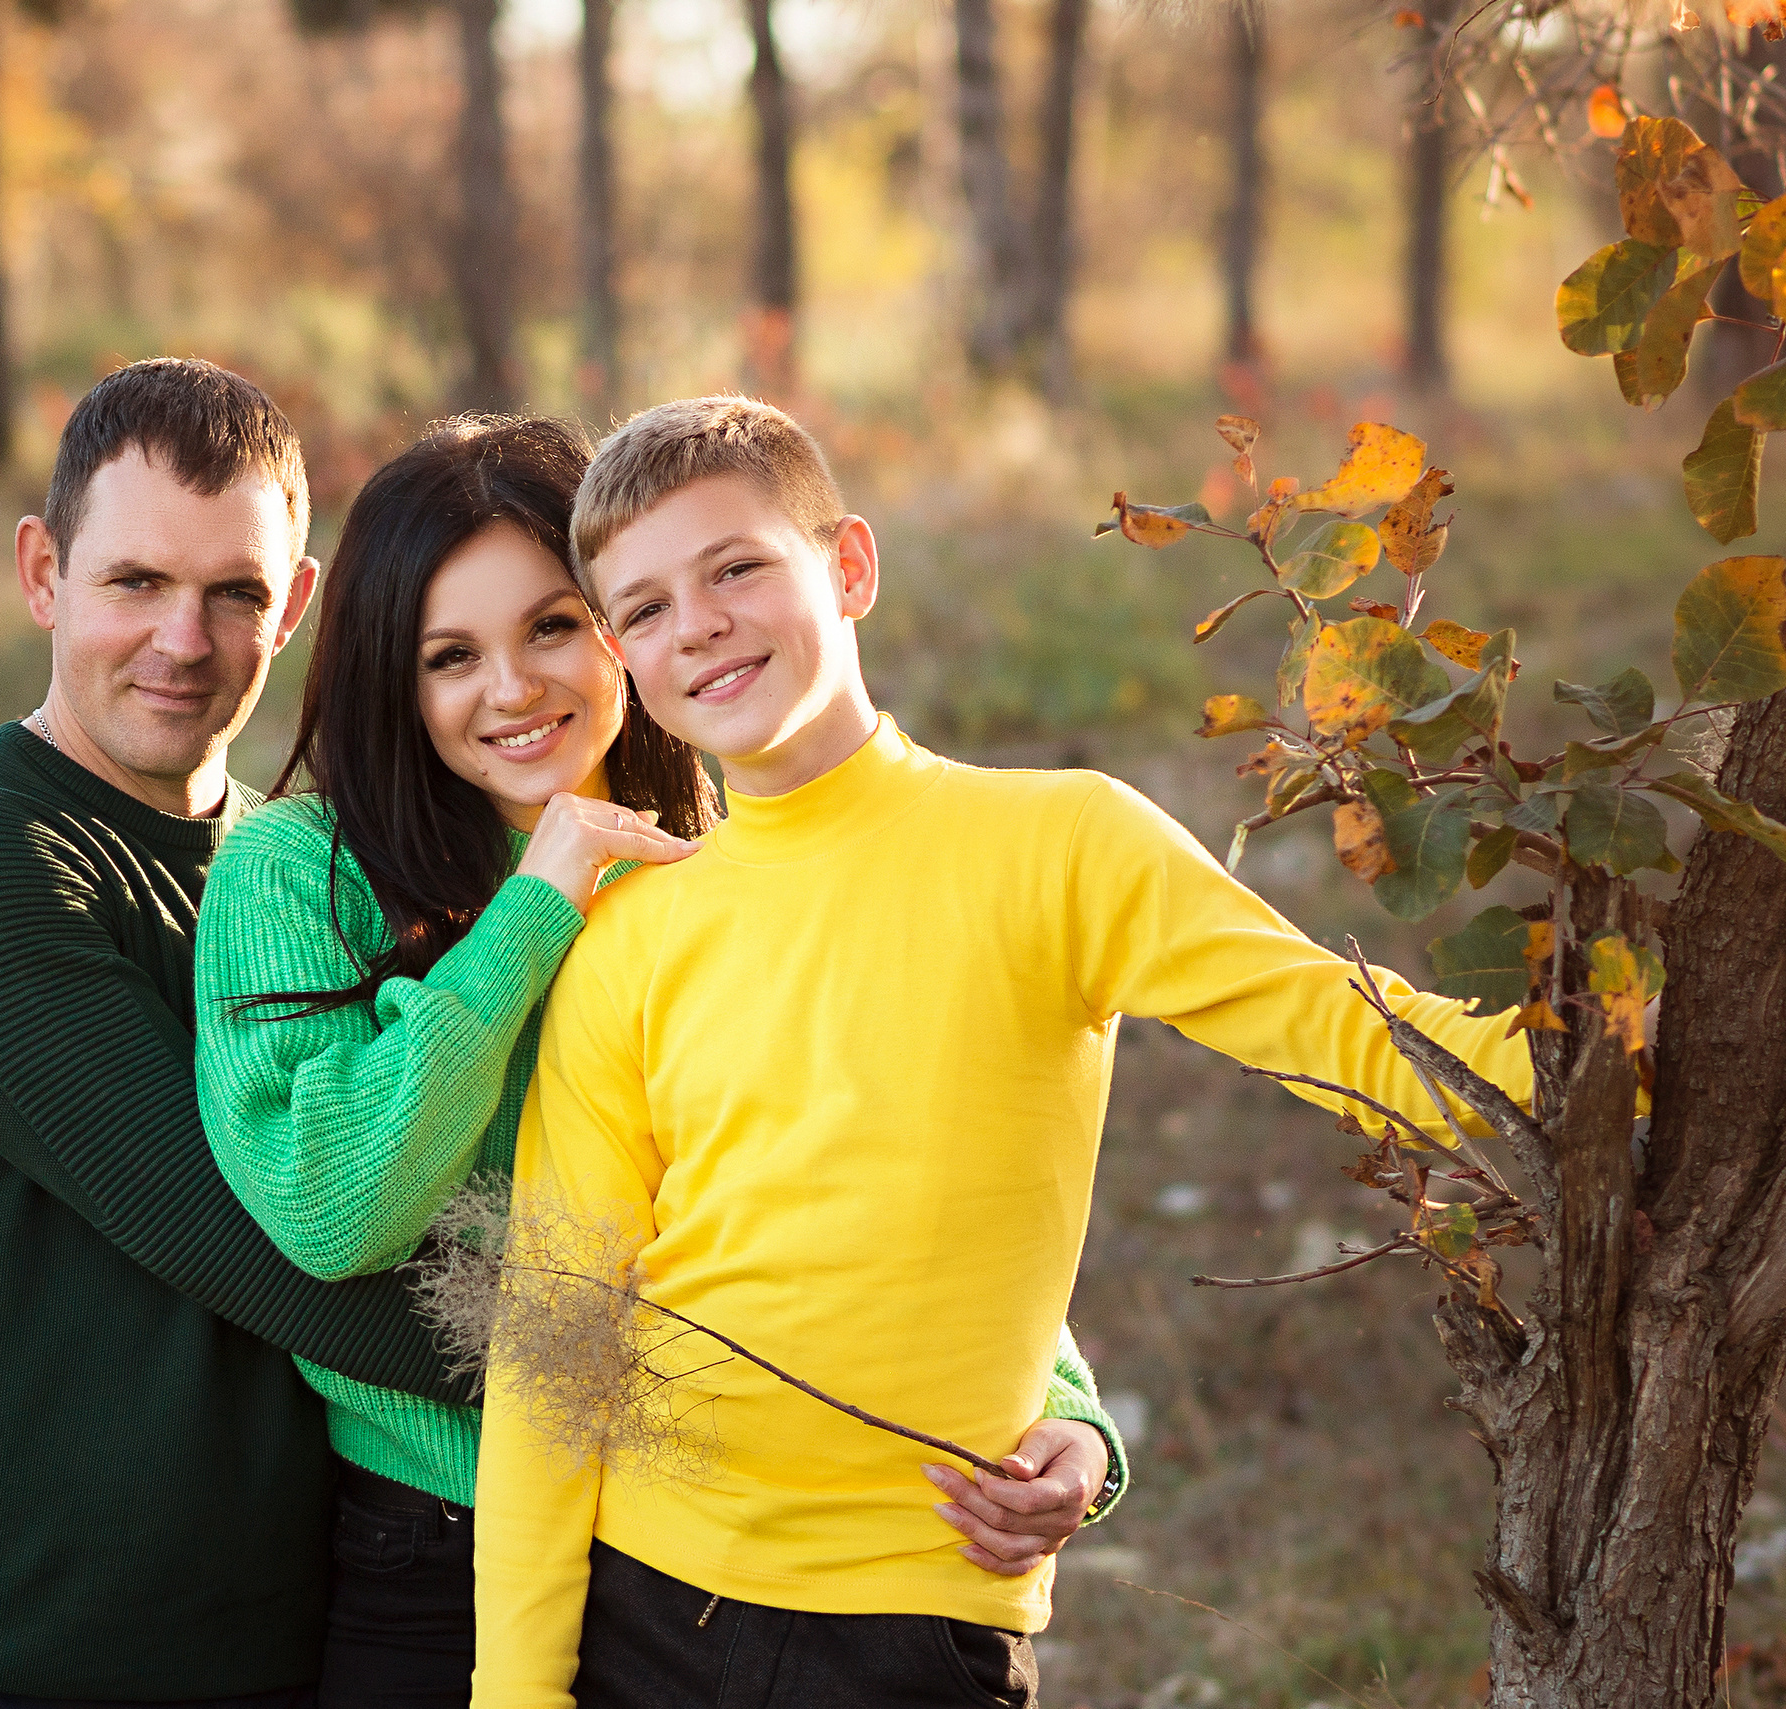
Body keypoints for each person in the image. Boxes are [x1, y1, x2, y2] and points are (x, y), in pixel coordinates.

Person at [470, 396, 1542, 1709]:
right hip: (647, 1602)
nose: (695, 622)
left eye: (737, 566)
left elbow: (1330, 1017)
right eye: (641, 608)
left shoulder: (1059, 844)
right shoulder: (631, 932)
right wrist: (513, 1694)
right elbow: (554, 1331)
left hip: (917, 1620)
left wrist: (1604, 1052)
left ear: (849, 565)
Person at [190, 415, 1128, 1708]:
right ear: (388, 680)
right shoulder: (296, 871)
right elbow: (331, 1203)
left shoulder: (719, 862)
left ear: (626, 626)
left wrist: (1068, 1407)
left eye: (555, 626)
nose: (513, 688)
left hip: (704, 1558)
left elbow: (884, 1146)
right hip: (436, 1549)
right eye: (449, 656)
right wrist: (540, 905)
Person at [0, 359, 474, 1709]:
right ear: (43, 573)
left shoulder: (303, 884)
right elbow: (268, 1247)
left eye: (234, 592)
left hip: (276, 1654)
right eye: (134, 583)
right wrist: (696, 1393)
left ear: (299, 606)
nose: (184, 640)